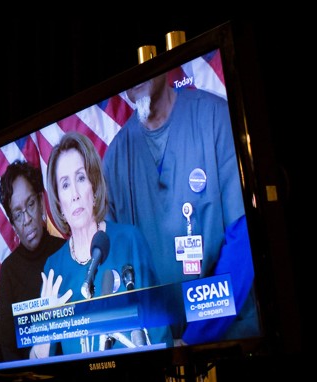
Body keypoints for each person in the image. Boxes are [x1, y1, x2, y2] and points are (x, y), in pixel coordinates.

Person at [102, 71, 259, 344]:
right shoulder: (115, 158)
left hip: (231, 341)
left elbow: (243, 239)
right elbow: (115, 271)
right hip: (157, 349)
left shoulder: (214, 118)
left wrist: (193, 340)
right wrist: (159, 341)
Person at [31, 131, 171, 358]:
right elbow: (42, 362)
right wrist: (44, 328)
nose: (75, 194)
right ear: (59, 201)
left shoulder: (130, 241)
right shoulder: (53, 269)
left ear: (94, 187)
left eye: (80, 178)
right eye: (65, 185)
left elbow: (161, 336)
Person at [0, 160, 66, 361]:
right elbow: (8, 350)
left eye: (30, 204)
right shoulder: (8, 271)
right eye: (18, 214)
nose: (26, 219)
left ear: (41, 203)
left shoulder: (64, 251)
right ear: (13, 225)